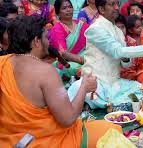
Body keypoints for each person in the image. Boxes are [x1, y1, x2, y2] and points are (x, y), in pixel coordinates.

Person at [0, 15, 121, 147]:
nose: (49, 42)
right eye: (46, 37)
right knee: (112, 130)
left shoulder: (3, 63)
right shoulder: (45, 72)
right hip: (43, 141)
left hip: (8, 141)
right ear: (36, 41)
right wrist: (84, 87)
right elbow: (67, 119)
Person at [67, 0, 143, 110]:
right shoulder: (95, 29)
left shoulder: (118, 31)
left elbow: (125, 63)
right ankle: (105, 104)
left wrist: (125, 58)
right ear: (101, 8)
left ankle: (106, 105)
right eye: (112, 4)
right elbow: (117, 51)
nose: (117, 8)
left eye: (117, 3)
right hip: (96, 82)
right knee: (81, 90)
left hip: (115, 83)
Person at [50, 0, 89, 82]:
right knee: (74, 68)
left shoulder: (81, 24)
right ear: (58, 13)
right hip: (66, 62)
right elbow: (63, 53)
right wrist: (82, 60)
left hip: (85, 56)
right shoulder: (57, 28)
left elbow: (93, 41)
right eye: (64, 8)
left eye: (70, 7)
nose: (68, 10)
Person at [120, 15, 143, 80]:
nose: (141, 28)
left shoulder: (133, 41)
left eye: (122, 27)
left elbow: (136, 61)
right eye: (138, 27)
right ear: (130, 30)